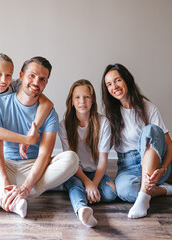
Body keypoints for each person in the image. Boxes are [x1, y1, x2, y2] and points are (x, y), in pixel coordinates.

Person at [0, 56, 79, 218]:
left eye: (42, 79)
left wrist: (26, 187)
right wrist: (4, 181)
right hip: (3, 165)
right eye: (32, 76)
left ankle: (16, 195)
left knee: (72, 158)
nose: (36, 82)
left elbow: (44, 155)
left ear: (46, 83)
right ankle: (1, 195)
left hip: (32, 168)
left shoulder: (49, 113)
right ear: (21, 76)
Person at [101, 63, 172, 219]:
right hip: (127, 166)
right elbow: (105, 147)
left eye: (117, 80)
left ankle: (144, 196)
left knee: (150, 129)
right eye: (109, 84)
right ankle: (169, 190)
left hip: (154, 164)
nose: (114, 87)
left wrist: (163, 168)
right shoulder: (111, 114)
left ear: (127, 80)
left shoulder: (148, 108)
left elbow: (170, 147)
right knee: (125, 192)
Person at [0, 53, 53, 159]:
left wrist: (33, 129)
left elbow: (47, 104)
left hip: (6, 150)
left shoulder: (15, 85)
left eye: (8, 75)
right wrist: (27, 139)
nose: (4, 80)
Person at [58, 79, 117, 228]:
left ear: (93, 101)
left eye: (87, 97)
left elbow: (103, 160)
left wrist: (93, 184)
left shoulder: (103, 123)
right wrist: (87, 183)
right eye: (77, 97)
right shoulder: (64, 125)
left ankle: (83, 194)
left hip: (96, 172)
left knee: (111, 194)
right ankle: (82, 209)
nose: (82, 101)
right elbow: (70, 162)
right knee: (75, 185)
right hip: (74, 171)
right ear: (71, 101)